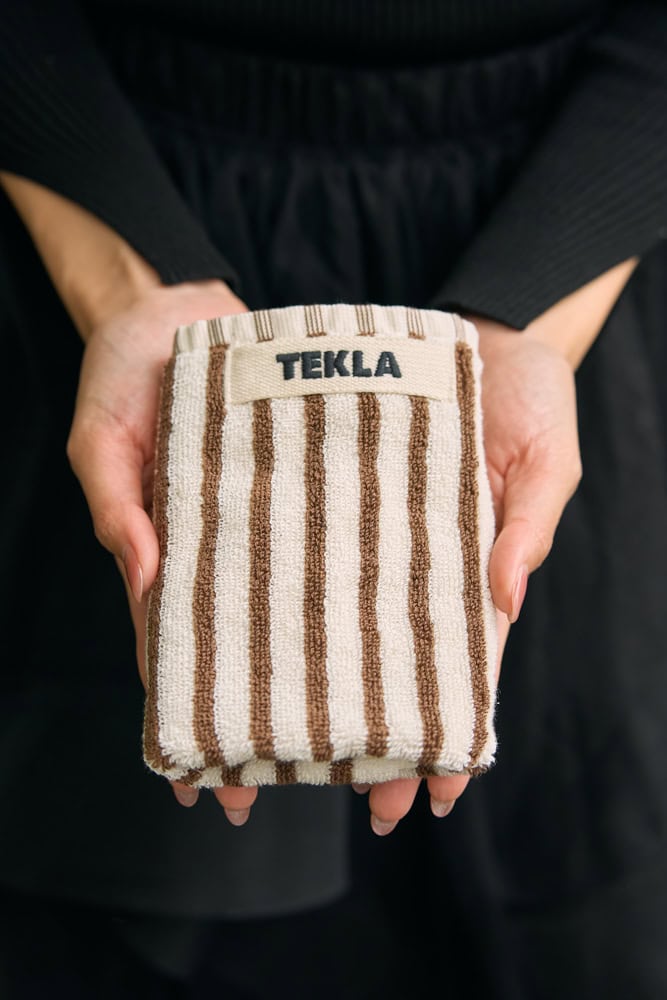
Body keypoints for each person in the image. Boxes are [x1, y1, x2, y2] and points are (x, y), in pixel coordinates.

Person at [0, 1, 666, 996]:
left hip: (563, 216)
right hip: (119, 184)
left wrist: (535, 308)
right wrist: (127, 285)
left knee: (566, 868)